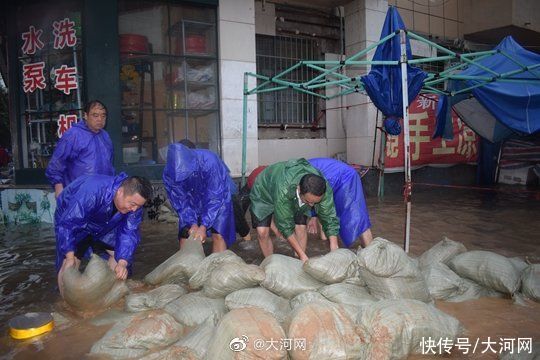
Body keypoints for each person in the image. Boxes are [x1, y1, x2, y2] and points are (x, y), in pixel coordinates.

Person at [55, 173, 152, 296]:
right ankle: (65, 302)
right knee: (70, 262)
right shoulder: (92, 190)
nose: (134, 209)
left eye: (138, 206)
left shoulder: (134, 207)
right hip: (72, 217)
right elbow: (69, 224)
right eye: (132, 204)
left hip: (105, 222)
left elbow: (129, 233)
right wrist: (69, 256)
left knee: (121, 260)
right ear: (120, 192)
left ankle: (105, 295)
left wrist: (122, 263)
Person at [249, 158, 340, 262]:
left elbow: (329, 216)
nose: (311, 205)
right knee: (262, 232)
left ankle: (298, 259)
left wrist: (334, 246)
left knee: (301, 226)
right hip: (264, 191)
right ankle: (271, 263)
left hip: (291, 190)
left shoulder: (323, 188)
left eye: (315, 202)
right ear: (299, 189)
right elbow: (285, 226)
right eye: (308, 201)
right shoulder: (284, 190)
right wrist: (303, 256)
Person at [163, 140, 236, 252]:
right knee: (186, 234)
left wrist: (203, 226)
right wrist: (192, 223)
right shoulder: (169, 173)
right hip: (191, 198)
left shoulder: (210, 161)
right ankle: (188, 267)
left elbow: (215, 197)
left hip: (218, 195)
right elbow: (181, 201)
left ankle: (217, 266)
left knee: (219, 234)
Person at [46, 100, 114, 198]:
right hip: (78, 195)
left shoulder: (105, 136)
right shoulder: (73, 135)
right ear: (85, 116)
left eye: (103, 116)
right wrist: (58, 187)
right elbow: (57, 163)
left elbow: (109, 164)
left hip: (103, 193)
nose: (100, 119)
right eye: (95, 115)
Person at [308, 158, 373, 248]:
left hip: (344, 177)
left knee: (356, 216)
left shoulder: (296, 176)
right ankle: (325, 243)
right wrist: (313, 216)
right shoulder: (298, 173)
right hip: (331, 178)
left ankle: (371, 250)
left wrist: (312, 215)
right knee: (323, 210)